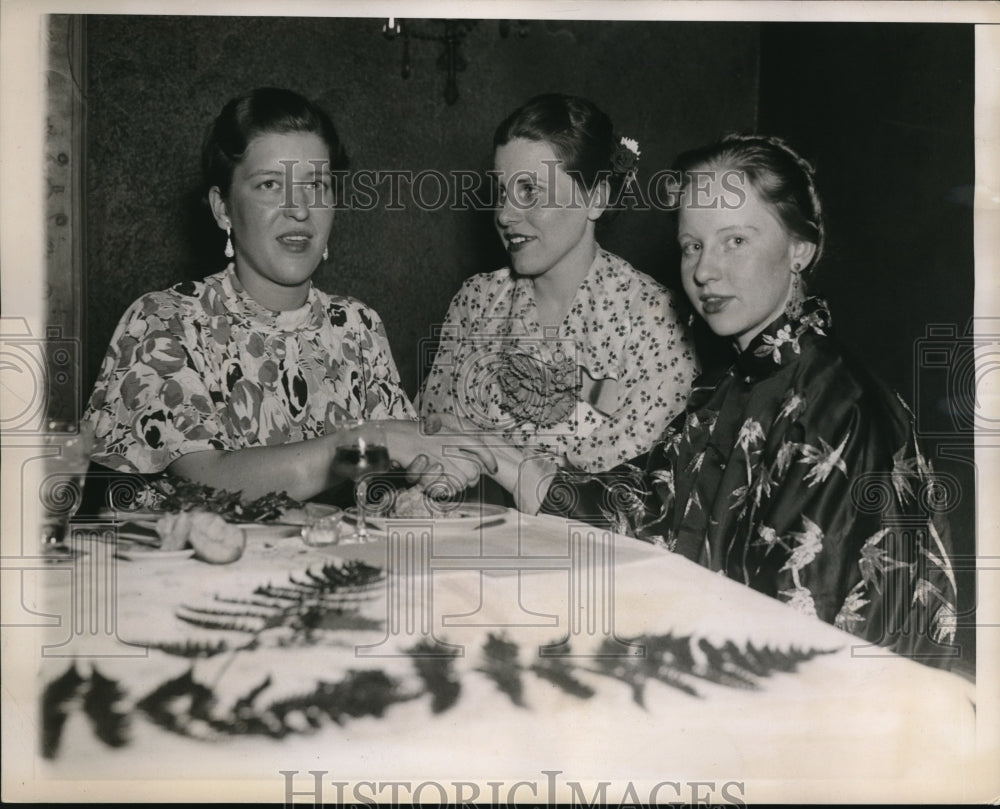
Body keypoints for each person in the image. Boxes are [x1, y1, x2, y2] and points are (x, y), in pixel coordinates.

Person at [488, 134, 958, 665]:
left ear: (799, 249)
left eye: (735, 241)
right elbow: (650, 517)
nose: (705, 271)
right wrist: (493, 456)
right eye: (693, 245)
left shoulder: (838, 408)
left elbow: (808, 643)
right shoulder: (728, 386)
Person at [84, 87, 493, 503]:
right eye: (269, 185)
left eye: (316, 185)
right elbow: (205, 482)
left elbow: (396, 476)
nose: (299, 209)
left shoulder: (357, 326)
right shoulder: (163, 321)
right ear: (223, 209)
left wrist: (437, 468)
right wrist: (369, 440)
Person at [418, 93, 697, 473]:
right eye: (502, 192)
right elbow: (432, 437)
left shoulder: (655, 317)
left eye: (530, 191)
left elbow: (637, 486)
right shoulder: (477, 301)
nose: (505, 215)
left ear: (596, 198)